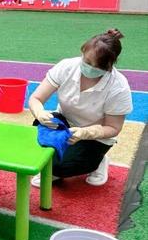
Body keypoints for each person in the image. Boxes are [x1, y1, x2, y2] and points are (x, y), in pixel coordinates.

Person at [28, 29, 132, 188]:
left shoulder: (118, 87)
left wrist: (86, 133)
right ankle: (56, 165)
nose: (89, 67)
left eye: (96, 66)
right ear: (83, 51)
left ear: (109, 66)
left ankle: (98, 161)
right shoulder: (67, 67)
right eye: (87, 61)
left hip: (95, 137)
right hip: (65, 122)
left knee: (60, 165)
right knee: (36, 142)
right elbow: (36, 98)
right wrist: (39, 112)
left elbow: (113, 128)